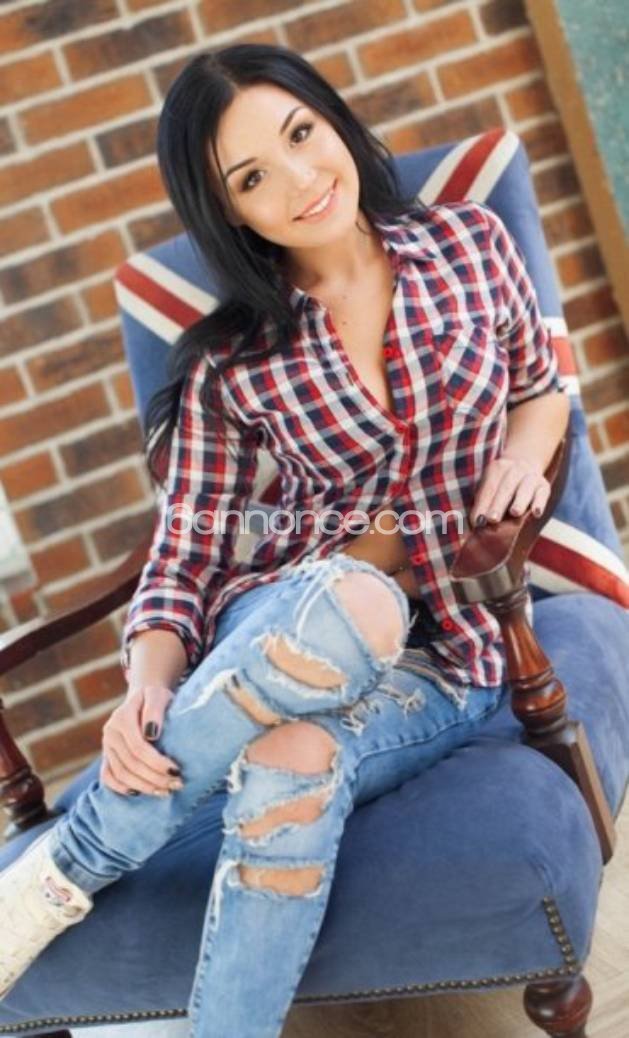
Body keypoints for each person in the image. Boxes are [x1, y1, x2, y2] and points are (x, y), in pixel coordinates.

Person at [0, 42, 570, 1038]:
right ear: (229, 211)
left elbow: (538, 387)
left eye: (301, 134)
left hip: (447, 658)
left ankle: (71, 875)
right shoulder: (232, 363)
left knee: (291, 766)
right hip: (292, 615)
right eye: (252, 177)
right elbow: (186, 547)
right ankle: (72, 868)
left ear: (332, 117)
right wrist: (146, 682)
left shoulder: (470, 245)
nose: (300, 180)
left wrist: (523, 454)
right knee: (354, 596)